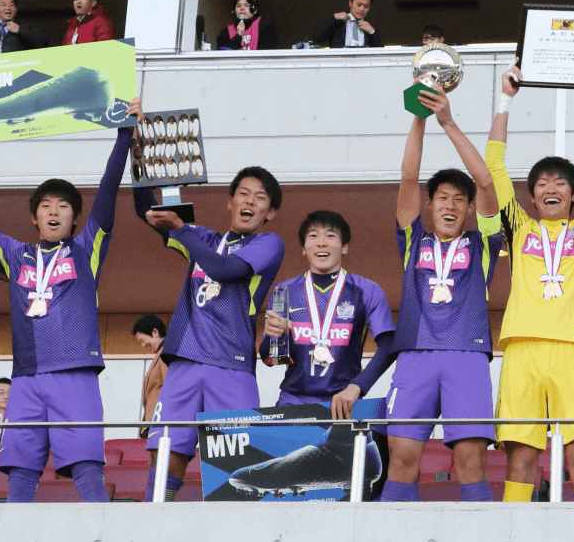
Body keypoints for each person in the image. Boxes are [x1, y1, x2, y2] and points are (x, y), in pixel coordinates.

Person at [0, 96, 139, 502]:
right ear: (34, 217)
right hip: (25, 378)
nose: (54, 212)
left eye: (64, 206)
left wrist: (124, 134)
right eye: (46, 206)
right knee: (20, 473)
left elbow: (109, 191)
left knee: (86, 470)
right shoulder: (13, 255)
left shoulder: (86, 249)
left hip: (75, 373)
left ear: (76, 218)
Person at [349, 86, 505, 503]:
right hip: (415, 355)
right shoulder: (413, 240)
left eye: (459, 200)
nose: (450, 205)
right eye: (442, 199)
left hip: (467, 356)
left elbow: (486, 180)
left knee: (471, 461)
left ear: (469, 209)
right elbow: (408, 179)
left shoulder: (484, 245)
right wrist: (418, 116)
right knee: (401, 459)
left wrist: (448, 122)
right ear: (430, 206)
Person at [484, 65, 574, 502]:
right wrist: (506, 99)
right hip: (522, 349)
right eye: (542, 183)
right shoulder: (519, 227)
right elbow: (493, 165)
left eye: (560, 183)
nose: (550, 187)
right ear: (531, 196)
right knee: (521, 459)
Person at [133, 165, 284, 501]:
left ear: (270, 212)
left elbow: (225, 269)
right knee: (163, 458)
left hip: (232, 367)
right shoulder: (204, 239)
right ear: (230, 202)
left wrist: (181, 229)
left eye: (260, 198)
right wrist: (137, 151)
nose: (250, 201)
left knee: (238, 475)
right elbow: (147, 211)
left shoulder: (269, 243)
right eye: (243, 193)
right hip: (184, 364)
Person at [262, 211, 392, 406]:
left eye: (331, 236)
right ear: (304, 248)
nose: (321, 242)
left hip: (344, 402)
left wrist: (357, 387)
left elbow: (389, 345)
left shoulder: (367, 290)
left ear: (344, 247)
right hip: (294, 402)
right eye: (313, 236)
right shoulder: (284, 291)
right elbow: (272, 359)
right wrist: (273, 336)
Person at [308, 0, 383, 49]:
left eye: (366, 6)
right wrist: (334, 17)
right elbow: (317, 37)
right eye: (359, 5)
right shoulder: (338, 23)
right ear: (350, 3)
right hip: (341, 64)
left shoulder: (370, 28)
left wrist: (372, 32)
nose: (362, 9)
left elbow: (381, 54)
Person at [133, 315, 167, 439]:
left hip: (160, 423)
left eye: (142, 340)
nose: (142, 345)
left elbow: (171, 387)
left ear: (155, 332)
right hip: (155, 423)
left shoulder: (166, 353)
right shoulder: (161, 354)